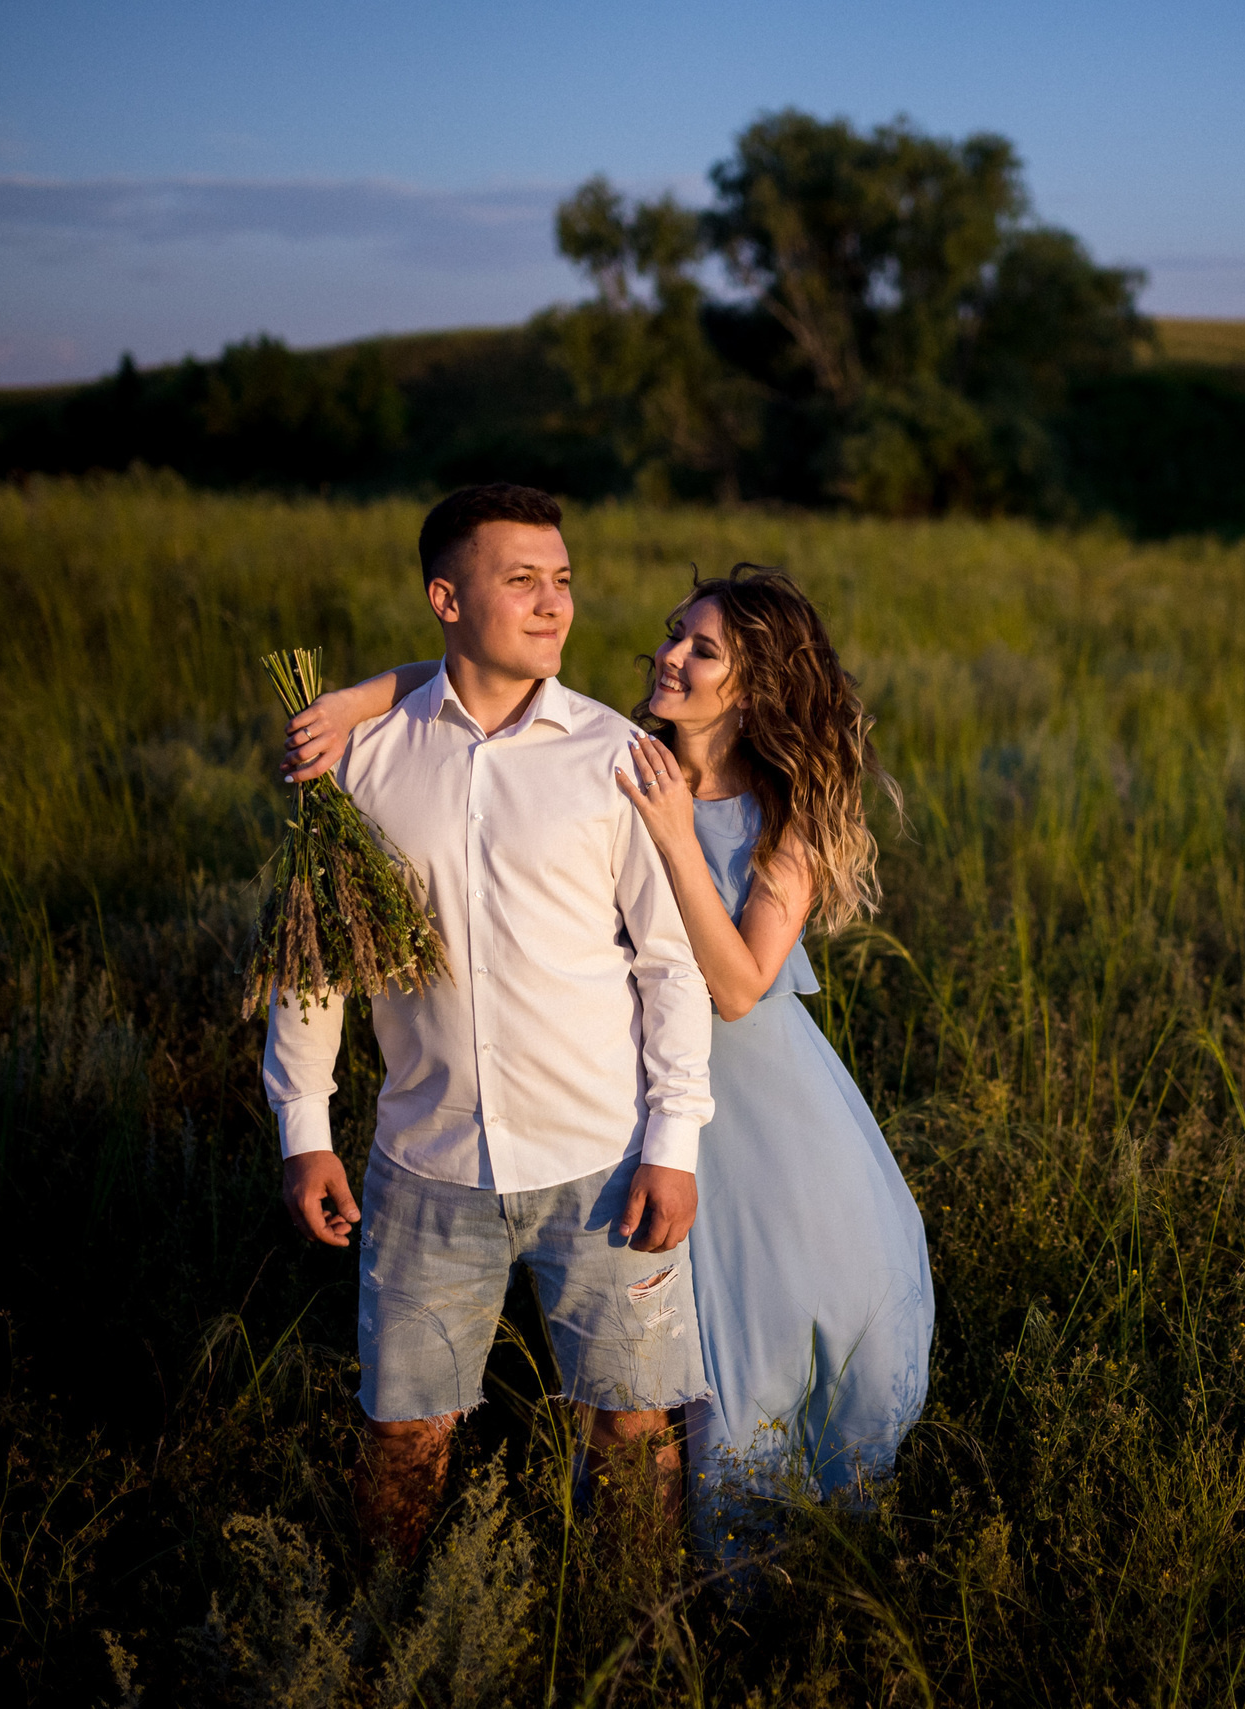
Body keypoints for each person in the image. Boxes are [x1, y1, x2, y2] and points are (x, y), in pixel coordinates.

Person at [288, 563, 933, 1551]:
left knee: (769, 1341)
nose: (668, 654)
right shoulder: (616, 752)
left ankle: (766, 1581)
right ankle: (648, 1569)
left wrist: (677, 835)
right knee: (657, 1363)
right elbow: (474, 668)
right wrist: (355, 698)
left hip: (759, 1112)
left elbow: (738, 985)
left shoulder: (782, 809)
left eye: (701, 648)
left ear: (753, 688)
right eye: (675, 632)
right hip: (623, 1100)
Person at [264, 483, 714, 1560]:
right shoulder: (362, 762)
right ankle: (387, 1632)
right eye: (521, 580)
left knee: (632, 1424)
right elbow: (317, 958)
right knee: (404, 1431)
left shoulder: (615, 757)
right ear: (446, 598)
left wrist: (673, 1143)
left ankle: (639, 1633)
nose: (553, 603)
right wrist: (305, 1128)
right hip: (425, 1162)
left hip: (600, 1158)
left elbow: (669, 965)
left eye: (561, 581)